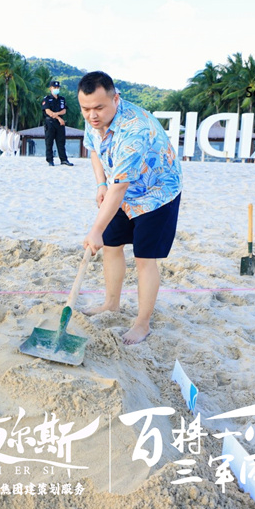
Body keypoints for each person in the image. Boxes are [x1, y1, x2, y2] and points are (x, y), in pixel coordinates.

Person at [78, 71, 182, 345]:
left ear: (116, 99)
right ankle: (111, 303)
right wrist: (101, 183)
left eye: (98, 107)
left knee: (144, 258)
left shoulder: (135, 129)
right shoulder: (94, 118)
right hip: (119, 188)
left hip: (156, 193)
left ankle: (142, 324)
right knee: (112, 245)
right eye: (85, 109)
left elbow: (121, 186)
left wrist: (95, 230)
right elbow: (94, 149)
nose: (92, 115)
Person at [42, 80, 73, 167]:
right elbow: (48, 111)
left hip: (60, 124)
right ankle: (50, 160)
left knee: (61, 142)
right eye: (54, 87)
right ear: (50, 88)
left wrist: (57, 114)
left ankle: (63, 160)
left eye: (57, 87)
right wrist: (59, 118)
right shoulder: (47, 99)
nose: (56, 89)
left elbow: (64, 110)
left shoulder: (62, 99)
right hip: (50, 122)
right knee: (49, 142)